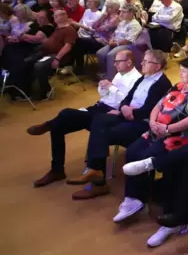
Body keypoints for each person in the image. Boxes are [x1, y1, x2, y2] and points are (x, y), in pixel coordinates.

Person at [111, 56, 188, 242]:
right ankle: (134, 199)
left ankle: (167, 216)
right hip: (156, 130)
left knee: (147, 157)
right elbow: (159, 104)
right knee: (133, 152)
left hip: (178, 138)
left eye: (184, 71)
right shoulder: (178, 86)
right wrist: (154, 121)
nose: (180, 73)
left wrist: (167, 128)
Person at [27, 50, 141, 187]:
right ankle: (57, 169)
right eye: (115, 61)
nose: (115, 64)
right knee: (59, 125)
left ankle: (48, 125)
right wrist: (104, 88)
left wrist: (111, 88)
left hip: (112, 113)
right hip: (100, 107)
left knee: (67, 113)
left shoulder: (136, 79)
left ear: (129, 62)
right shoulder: (119, 74)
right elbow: (107, 96)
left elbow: (129, 103)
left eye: (118, 61)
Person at [68, 50, 172, 199]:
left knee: (104, 132)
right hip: (127, 115)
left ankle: (98, 180)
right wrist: (123, 108)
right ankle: (95, 170)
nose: (142, 63)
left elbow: (150, 109)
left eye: (146, 61)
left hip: (142, 123)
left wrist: (129, 112)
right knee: (99, 119)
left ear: (157, 66)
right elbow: (127, 98)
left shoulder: (162, 84)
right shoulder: (143, 78)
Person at [21, 9, 78, 100]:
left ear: (64, 16)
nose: (54, 17)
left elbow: (67, 46)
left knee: (39, 66)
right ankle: (27, 91)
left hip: (58, 56)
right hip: (46, 52)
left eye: (57, 16)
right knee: (25, 61)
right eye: (54, 16)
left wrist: (57, 58)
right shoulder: (57, 28)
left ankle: (46, 90)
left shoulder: (69, 30)